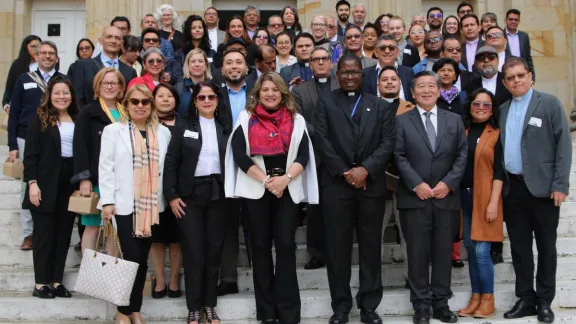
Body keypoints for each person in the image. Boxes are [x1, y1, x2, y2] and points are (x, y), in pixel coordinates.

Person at [225, 72, 318, 324]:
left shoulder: (296, 119)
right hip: (257, 190)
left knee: (286, 247)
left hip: (286, 189)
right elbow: (239, 155)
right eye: (265, 89)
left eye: (275, 89)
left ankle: (288, 312)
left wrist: (285, 179)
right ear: (257, 92)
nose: (270, 94)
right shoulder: (246, 118)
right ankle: (266, 312)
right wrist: (266, 181)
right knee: (261, 248)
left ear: (283, 93)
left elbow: (303, 155)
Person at [314, 53, 395, 324]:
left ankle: (369, 306)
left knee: (371, 248)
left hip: (370, 187)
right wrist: (345, 171)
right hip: (336, 186)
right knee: (338, 250)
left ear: (363, 74)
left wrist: (366, 169)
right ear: (337, 75)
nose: (350, 76)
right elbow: (322, 140)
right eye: (345, 72)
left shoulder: (380, 105)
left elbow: (387, 143)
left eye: (355, 72)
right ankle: (341, 307)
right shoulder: (325, 102)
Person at [499, 57, 571, 323]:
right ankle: (526, 298)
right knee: (519, 248)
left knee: (546, 246)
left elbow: (563, 143)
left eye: (521, 75)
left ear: (530, 76)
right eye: (511, 77)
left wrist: (560, 184)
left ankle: (544, 300)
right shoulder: (503, 109)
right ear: (505, 83)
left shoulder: (549, 103)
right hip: (513, 189)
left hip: (543, 189)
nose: (517, 80)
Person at [394, 71, 467, 324]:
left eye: (431, 86)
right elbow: (398, 157)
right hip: (415, 199)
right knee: (417, 253)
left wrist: (448, 183)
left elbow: (461, 155)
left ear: (439, 90)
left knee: (442, 252)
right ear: (413, 93)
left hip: (446, 198)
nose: (426, 90)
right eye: (421, 87)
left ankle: (441, 302)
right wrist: (417, 185)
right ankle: (421, 305)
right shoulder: (402, 121)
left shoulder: (454, 120)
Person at [98, 84, 171, 324]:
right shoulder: (113, 131)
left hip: (150, 207)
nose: (140, 106)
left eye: (145, 101)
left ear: (151, 105)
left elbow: (165, 170)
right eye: (135, 101)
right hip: (122, 205)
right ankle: (122, 311)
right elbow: (106, 167)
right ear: (126, 105)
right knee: (131, 258)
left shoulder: (162, 133)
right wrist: (107, 201)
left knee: (140, 259)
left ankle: (134, 309)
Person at [164, 80, 229, 324]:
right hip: (189, 197)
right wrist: (171, 195)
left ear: (218, 100)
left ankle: (209, 305)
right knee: (194, 252)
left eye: (211, 97)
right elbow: (171, 162)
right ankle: (193, 307)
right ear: (195, 101)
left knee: (213, 252)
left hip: (218, 195)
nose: (207, 101)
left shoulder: (225, 127)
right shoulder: (183, 126)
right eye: (202, 98)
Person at [8, 41, 66, 251]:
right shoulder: (24, 79)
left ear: (57, 57)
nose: (48, 56)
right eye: (43, 53)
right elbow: (14, 113)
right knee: (28, 184)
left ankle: (51, 228)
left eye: (52, 53)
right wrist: (12, 143)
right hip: (26, 137)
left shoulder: (63, 81)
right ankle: (28, 233)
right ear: (36, 56)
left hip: (56, 137)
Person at [24, 77, 78, 299]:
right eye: (57, 93)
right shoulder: (40, 118)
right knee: (44, 234)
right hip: (45, 180)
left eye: (66, 93)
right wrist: (32, 183)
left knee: (63, 233)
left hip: (69, 180)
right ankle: (40, 283)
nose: (62, 97)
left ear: (71, 95)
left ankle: (56, 281)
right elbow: (31, 155)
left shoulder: (77, 117)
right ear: (49, 95)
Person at [456, 88, 504, 318]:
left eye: (487, 104)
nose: (481, 108)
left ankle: (488, 298)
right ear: (470, 106)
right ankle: (476, 297)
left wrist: (494, 202)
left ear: (492, 109)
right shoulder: (461, 130)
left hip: (485, 197)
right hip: (463, 197)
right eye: (477, 103)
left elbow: (499, 172)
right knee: (472, 250)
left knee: (483, 251)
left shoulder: (496, 133)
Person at [292, 47, 340, 271]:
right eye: (316, 60)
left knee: (337, 207)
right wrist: (323, 137)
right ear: (309, 64)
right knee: (314, 207)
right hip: (314, 155)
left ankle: (336, 251)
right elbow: (298, 119)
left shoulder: (342, 85)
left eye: (324, 59)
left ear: (331, 62)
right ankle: (316, 253)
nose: (320, 62)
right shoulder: (300, 90)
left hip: (341, 155)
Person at [72, 67, 126, 256]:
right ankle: (89, 271)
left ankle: (111, 270)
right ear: (98, 86)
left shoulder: (126, 112)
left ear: (121, 87)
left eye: (114, 83)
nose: (110, 87)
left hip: (121, 181)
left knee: (115, 228)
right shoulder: (88, 112)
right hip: (96, 179)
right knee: (93, 226)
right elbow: (80, 146)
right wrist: (84, 178)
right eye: (106, 83)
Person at [216, 49, 253, 296]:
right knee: (227, 224)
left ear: (247, 68)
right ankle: (228, 277)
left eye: (239, 62)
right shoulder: (213, 94)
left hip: (255, 165)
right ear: (222, 69)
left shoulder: (260, 92)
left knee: (256, 222)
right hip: (223, 165)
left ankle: (259, 270)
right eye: (229, 63)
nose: (234, 66)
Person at [377, 66, 414, 287]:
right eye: (385, 79)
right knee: (374, 233)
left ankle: (413, 276)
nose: (389, 82)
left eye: (394, 79)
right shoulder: (369, 107)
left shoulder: (411, 109)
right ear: (379, 85)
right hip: (378, 178)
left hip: (405, 180)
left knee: (408, 232)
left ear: (400, 84)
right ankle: (374, 278)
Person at [146, 83, 182, 300]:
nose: (166, 99)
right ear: (153, 99)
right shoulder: (146, 124)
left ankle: (175, 280)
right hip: (153, 190)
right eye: (161, 96)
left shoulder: (185, 124)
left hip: (180, 190)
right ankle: (160, 281)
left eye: (170, 95)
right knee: (157, 239)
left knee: (177, 239)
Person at [71, 26, 137, 106]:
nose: (113, 41)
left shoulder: (130, 72)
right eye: (109, 37)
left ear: (122, 44)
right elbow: (77, 98)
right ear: (101, 41)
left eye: (117, 38)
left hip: (120, 117)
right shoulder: (82, 66)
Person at [362, 34, 414, 102]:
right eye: (382, 48)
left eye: (391, 48)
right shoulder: (365, 74)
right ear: (376, 52)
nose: (387, 51)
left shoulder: (409, 72)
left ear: (397, 52)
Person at [172, 15, 216, 84]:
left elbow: (215, 74)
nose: (197, 30)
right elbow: (177, 75)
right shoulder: (180, 54)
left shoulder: (212, 53)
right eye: (194, 28)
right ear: (189, 31)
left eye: (200, 27)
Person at [3, 35, 41, 113]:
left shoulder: (45, 64)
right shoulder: (17, 65)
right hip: (22, 107)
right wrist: (6, 104)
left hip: (40, 106)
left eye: (39, 46)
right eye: (33, 46)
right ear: (26, 48)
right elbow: (9, 86)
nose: (36, 49)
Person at [175, 49, 212, 116]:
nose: (197, 64)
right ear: (187, 65)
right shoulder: (178, 88)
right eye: (193, 61)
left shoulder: (214, 87)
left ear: (206, 65)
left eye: (200, 61)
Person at [505, 9, 535, 80]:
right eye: (511, 19)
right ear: (505, 20)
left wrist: (532, 76)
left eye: (516, 20)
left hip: (521, 72)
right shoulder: (500, 34)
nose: (513, 21)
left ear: (519, 21)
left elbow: (528, 57)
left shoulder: (524, 36)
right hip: (506, 72)